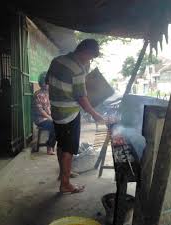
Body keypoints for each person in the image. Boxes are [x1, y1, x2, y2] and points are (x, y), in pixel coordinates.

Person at [46, 39, 104, 194]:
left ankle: (63, 173)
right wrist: (95, 114)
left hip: (56, 111)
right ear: (85, 51)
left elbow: (47, 81)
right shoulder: (78, 69)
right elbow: (81, 97)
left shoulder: (56, 61)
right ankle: (65, 184)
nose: (89, 60)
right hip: (69, 114)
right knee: (69, 149)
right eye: (90, 57)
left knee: (61, 143)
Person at [32, 72, 56, 155]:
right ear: (41, 83)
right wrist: (50, 118)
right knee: (55, 126)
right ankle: (49, 147)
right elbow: (40, 110)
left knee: (60, 124)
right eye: (45, 83)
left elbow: (51, 108)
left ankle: (52, 145)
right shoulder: (38, 94)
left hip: (49, 118)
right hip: (40, 119)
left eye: (48, 83)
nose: (47, 85)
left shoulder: (49, 93)